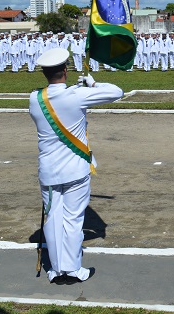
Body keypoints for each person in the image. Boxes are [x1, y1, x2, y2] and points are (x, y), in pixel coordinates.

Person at [29, 48, 123, 285]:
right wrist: (92, 84)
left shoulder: (35, 98)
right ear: (65, 71)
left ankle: (56, 269)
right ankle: (72, 270)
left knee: (52, 219)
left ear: (44, 73)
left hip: (49, 171)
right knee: (72, 219)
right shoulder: (76, 95)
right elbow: (116, 92)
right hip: (75, 170)